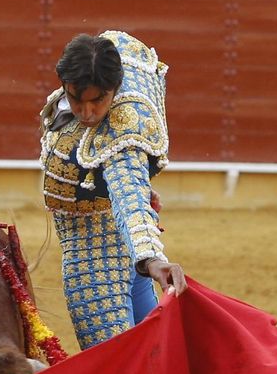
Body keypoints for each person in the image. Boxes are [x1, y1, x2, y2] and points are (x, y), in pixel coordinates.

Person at [40, 31, 187, 351]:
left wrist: (151, 259)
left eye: (98, 101)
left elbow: (128, 195)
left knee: (115, 359)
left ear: (116, 88)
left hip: (96, 247)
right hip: (118, 242)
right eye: (77, 99)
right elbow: (119, 44)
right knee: (152, 347)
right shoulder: (110, 61)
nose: (87, 112)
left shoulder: (122, 127)